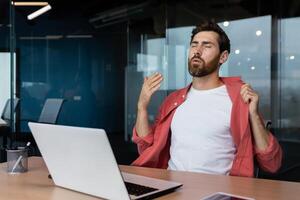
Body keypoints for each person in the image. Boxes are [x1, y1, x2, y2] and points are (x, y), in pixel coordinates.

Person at [131, 20, 282, 177]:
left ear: (223, 57)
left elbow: (271, 164)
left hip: (216, 192)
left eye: (207, 46)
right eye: (194, 44)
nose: (197, 50)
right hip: (172, 188)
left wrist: (254, 115)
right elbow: (147, 150)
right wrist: (141, 107)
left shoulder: (239, 98)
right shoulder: (173, 101)